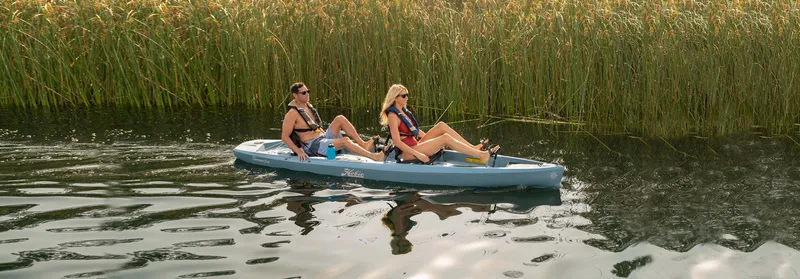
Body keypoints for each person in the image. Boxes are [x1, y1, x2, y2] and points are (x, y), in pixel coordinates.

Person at [379, 84, 500, 164]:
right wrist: (418, 154)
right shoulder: (393, 116)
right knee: (445, 138)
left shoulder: (403, 111)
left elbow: (416, 131)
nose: (407, 98)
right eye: (404, 96)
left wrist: (434, 143)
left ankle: (473, 148)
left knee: (441, 126)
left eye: (407, 95)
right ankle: (481, 155)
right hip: (409, 153)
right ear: (395, 98)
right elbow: (397, 142)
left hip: (416, 145)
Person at [282, 82, 385, 161]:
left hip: (322, 138)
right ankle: (374, 157)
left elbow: (316, 127)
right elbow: (285, 137)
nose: (307, 94)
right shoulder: (292, 114)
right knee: (345, 140)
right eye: (304, 93)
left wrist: (327, 137)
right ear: (295, 95)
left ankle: (363, 144)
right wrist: (299, 152)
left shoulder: (308, 106)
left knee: (340, 118)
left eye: (308, 91)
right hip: (313, 145)